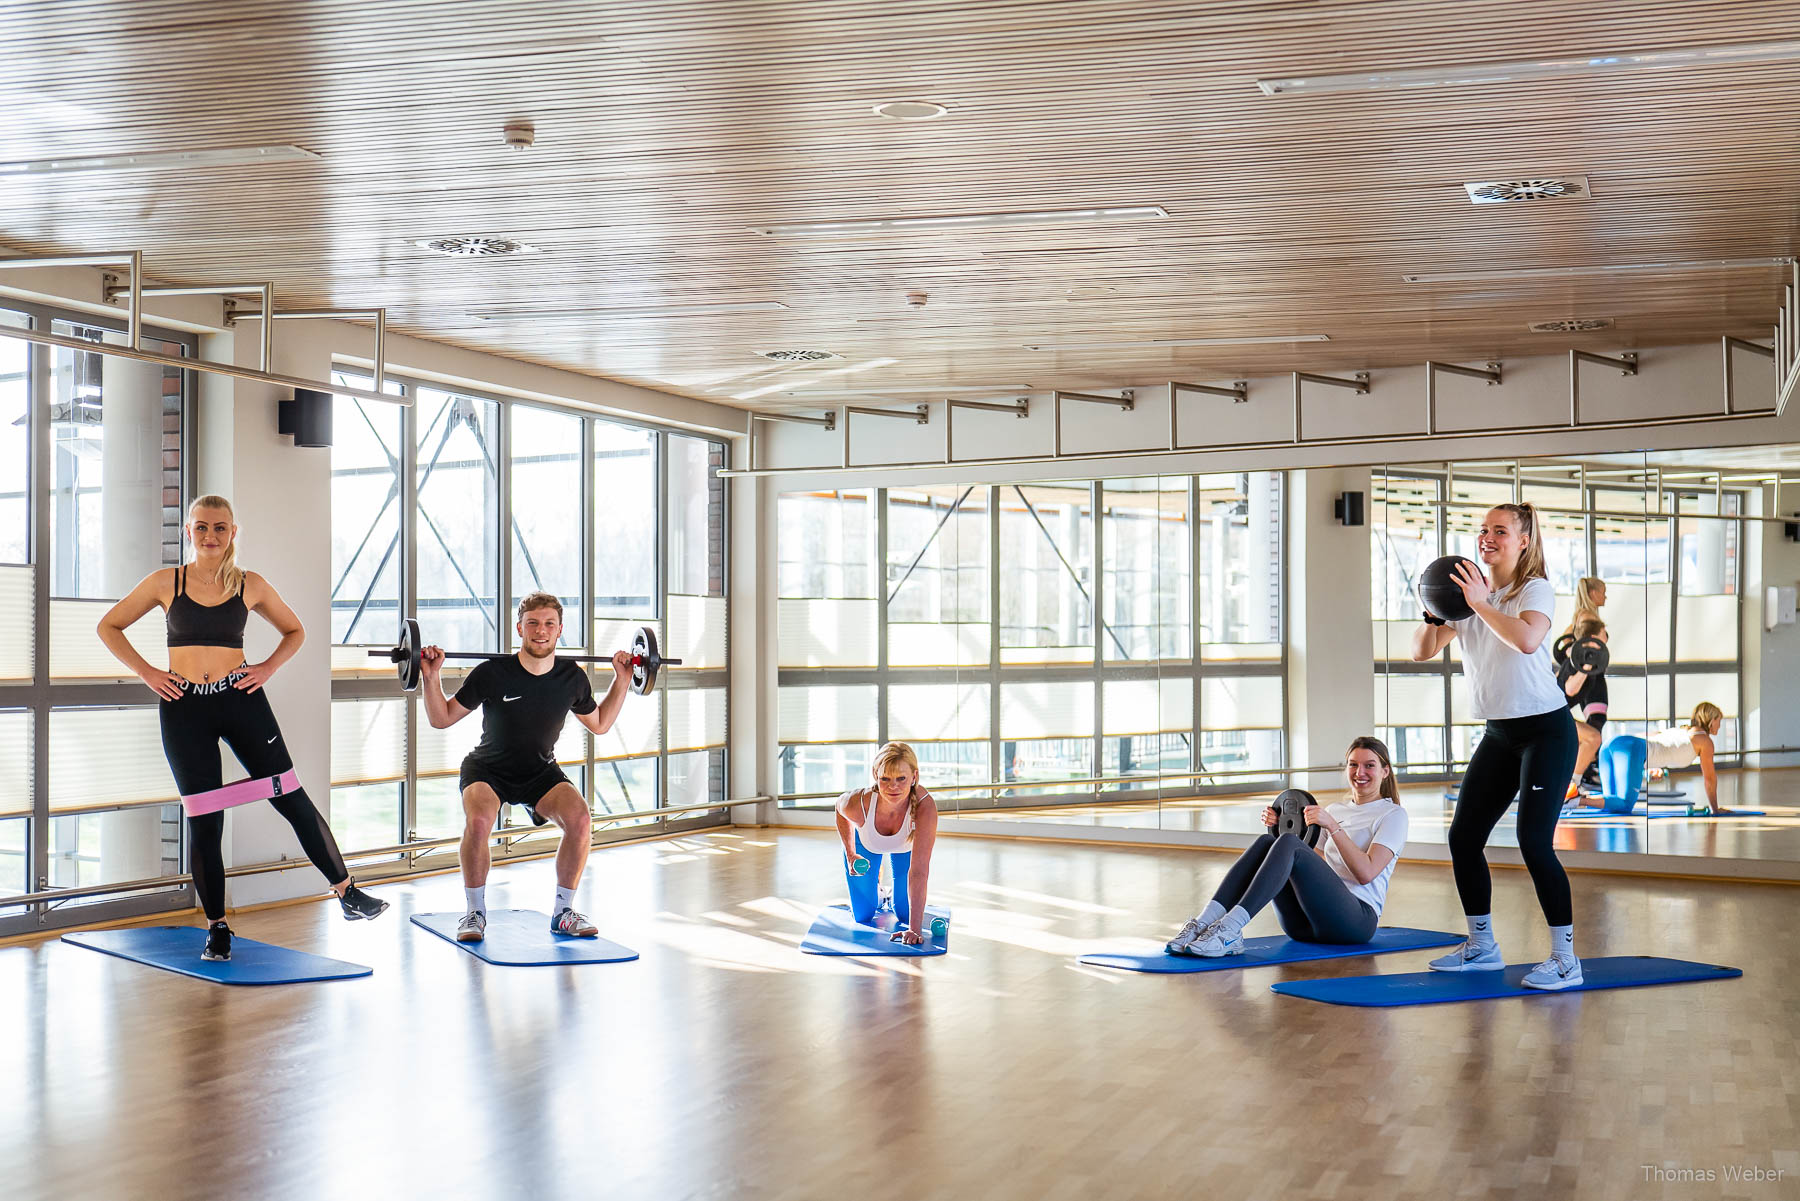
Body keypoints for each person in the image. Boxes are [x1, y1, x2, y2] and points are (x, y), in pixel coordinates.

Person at [98, 495, 388, 963]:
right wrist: (150, 673)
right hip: (183, 705)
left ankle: (347, 891)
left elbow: (296, 631)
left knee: (289, 794)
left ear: (234, 532)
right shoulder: (164, 582)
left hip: (241, 700)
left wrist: (268, 668)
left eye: (220, 527)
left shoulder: (249, 585)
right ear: (188, 532)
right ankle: (217, 928)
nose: (210, 535)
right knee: (206, 817)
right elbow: (109, 626)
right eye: (201, 527)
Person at [1412, 503, 1582, 990]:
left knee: (1533, 842)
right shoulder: (1467, 598)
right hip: (1499, 733)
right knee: (1463, 838)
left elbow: (1528, 640)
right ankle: (1482, 947)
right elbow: (1421, 651)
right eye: (1484, 530)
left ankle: (1566, 959)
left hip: (1546, 731)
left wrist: (1481, 603)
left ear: (1523, 540)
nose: (1488, 538)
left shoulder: (1535, 590)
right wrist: (1435, 612)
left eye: (1500, 531)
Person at [418, 593, 632, 942]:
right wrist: (431, 676)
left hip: (539, 772)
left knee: (579, 820)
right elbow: (441, 718)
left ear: (560, 630)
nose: (540, 631)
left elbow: (601, 723)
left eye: (549, 623)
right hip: (487, 769)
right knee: (479, 820)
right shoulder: (492, 673)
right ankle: (474, 912)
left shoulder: (571, 678)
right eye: (532, 623)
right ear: (520, 627)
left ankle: (563, 912)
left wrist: (622, 679)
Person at [1165, 736, 1410, 957]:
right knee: (1269, 842)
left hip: (1354, 923)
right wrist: (1277, 828)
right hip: (1303, 924)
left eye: (1370, 765)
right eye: (1353, 764)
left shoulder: (1393, 815)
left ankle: (1230, 928)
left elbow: (1366, 873)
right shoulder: (1337, 810)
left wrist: (1334, 828)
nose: (1360, 772)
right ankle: (1203, 923)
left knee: (1290, 844)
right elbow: (1311, 865)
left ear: (1385, 771)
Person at [833, 741, 941, 945]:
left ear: (914, 777)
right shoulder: (859, 802)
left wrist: (914, 930)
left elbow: (919, 871)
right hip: (866, 845)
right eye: (885, 778)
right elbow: (839, 809)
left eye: (901, 778)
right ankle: (879, 892)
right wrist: (850, 854)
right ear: (875, 775)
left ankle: (893, 895)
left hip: (905, 850)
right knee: (863, 915)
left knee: (904, 914)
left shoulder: (925, 806)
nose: (893, 786)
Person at [1581, 703, 1734, 816]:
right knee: (1624, 805)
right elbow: (1710, 779)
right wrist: (1715, 809)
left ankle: (1575, 798)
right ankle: (1578, 801)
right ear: (1711, 719)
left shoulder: (1679, 731)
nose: (1719, 726)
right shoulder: (1705, 741)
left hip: (1612, 744)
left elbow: (1652, 741)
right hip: (1631, 748)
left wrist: (1646, 766)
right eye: (1719, 720)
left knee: (1612, 802)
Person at [1560, 578, 1610, 798]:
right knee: (1592, 736)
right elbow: (1569, 690)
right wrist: (1579, 663)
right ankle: (1574, 781)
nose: (1606, 596)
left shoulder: (1583, 618)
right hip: (1551, 715)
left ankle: (1577, 777)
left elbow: (1565, 641)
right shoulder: (1586, 617)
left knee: (1594, 730)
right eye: (1603, 592)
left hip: (1588, 682)